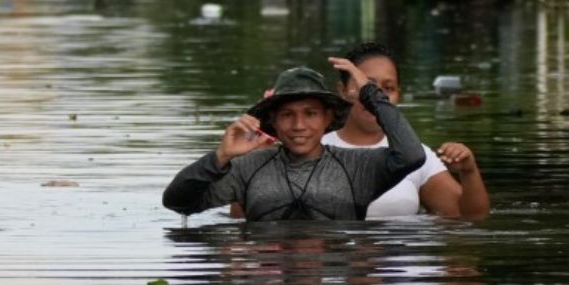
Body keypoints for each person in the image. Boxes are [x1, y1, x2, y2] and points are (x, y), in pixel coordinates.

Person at [163, 59, 426, 221]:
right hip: (272, 279)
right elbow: (178, 203)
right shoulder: (248, 168)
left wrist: (370, 93)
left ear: (328, 118)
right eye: (287, 115)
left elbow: (411, 155)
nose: (299, 126)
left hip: (331, 277)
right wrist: (220, 156)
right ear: (273, 122)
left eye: (310, 114)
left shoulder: (357, 167)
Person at [325, 42, 490, 219]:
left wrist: (469, 172)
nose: (375, 97)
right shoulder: (315, 150)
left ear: (398, 95)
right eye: (366, 86)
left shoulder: (415, 155)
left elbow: (469, 218)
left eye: (388, 89)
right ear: (342, 91)